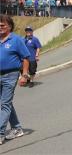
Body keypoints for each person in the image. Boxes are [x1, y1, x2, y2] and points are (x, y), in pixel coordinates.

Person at [0, 15, 30, 145]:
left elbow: (25, 58)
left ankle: (0, 133)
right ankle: (17, 128)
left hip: (10, 75)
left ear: (10, 26)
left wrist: (24, 75)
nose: (0, 28)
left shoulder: (16, 40)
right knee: (6, 103)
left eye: (3, 25)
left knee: (5, 104)